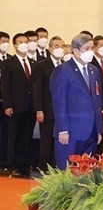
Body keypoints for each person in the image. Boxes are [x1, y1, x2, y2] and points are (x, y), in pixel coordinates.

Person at [50, 34, 103, 170]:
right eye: (87, 48)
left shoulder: (94, 71)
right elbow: (59, 101)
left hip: (91, 131)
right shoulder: (62, 70)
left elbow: (97, 100)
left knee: (87, 172)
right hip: (71, 132)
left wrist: (98, 129)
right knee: (68, 171)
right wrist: (62, 129)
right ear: (76, 50)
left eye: (92, 48)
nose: (91, 51)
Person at [1, 33, 36, 177]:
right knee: (14, 135)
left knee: (27, 136)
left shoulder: (33, 63)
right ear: (15, 45)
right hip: (15, 106)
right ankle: (12, 164)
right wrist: (8, 105)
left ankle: (24, 164)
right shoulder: (9, 63)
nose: (24, 44)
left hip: (30, 106)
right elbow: (5, 86)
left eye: (25, 42)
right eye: (20, 42)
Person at [32, 36, 65, 171]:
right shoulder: (42, 65)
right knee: (46, 140)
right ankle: (44, 167)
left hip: (62, 111)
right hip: (47, 109)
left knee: (59, 141)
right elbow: (37, 89)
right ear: (50, 48)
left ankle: (56, 166)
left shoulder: (65, 66)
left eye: (62, 46)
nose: (60, 49)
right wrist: (39, 110)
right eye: (56, 46)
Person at [0, 31, 12, 174]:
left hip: (6, 102)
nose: (6, 44)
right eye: (3, 41)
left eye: (7, 41)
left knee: (6, 133)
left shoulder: (9, 60)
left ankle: (4, 160)